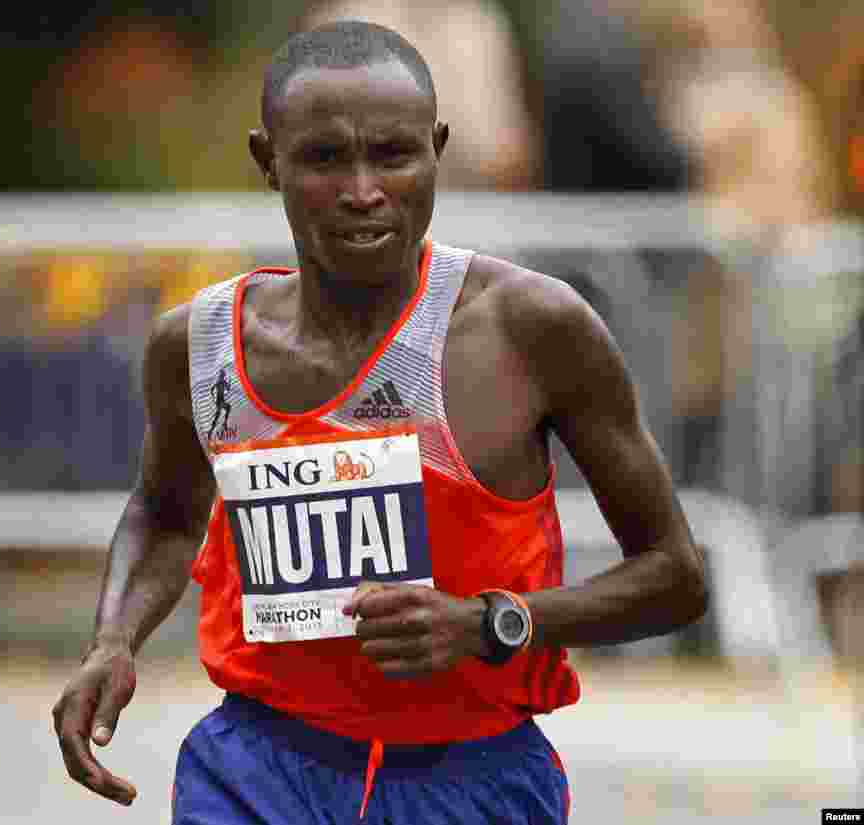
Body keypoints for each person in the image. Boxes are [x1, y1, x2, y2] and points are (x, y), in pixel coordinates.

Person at [52, 20, 708, 824]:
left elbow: (676, 575)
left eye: (394, 154)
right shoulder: (199, 345)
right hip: (256, 771)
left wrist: (491, 622)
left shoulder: (531, 328)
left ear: (437, 149)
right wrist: (112, 641)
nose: (364, 190)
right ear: (269, 163)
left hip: (472, 775)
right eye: (325, 158)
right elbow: (165, 511)